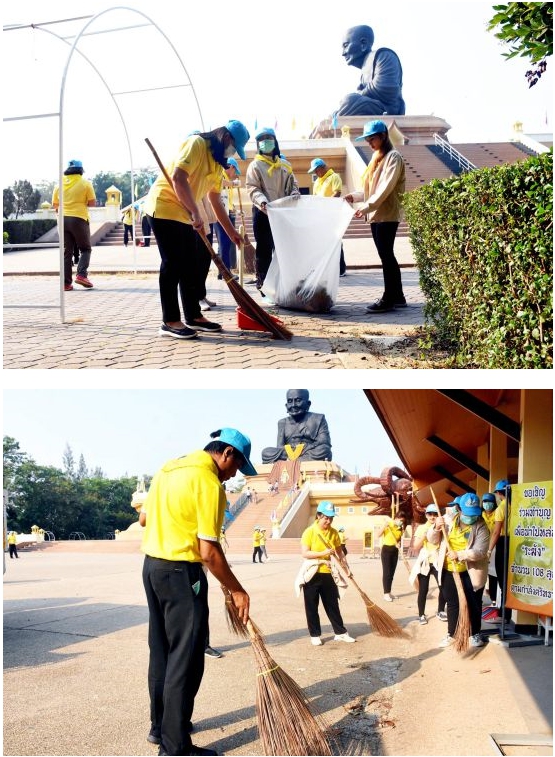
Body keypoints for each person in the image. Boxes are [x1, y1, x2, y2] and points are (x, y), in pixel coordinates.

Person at [141, 427, 255, 756]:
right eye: (236, 468)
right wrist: (237, 589)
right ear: (227, 454)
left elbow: (145, 517)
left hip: (152, 568)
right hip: (181, 573)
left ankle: (159, 728)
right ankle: (175, 748)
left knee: (161, 652)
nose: (233, 476)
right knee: (186, 660)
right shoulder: (207, 482)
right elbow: (209, 551)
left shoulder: (168, 468)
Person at [144, 120, 249, 340]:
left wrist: (231, 232)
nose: (233, 153)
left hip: (184, 212)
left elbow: (215, 200)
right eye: (233, 148)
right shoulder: (197, 144)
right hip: (163, 206)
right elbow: (178, 178)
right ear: (226, 138)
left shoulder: (217, 162)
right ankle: (170, 320)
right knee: (173, 263)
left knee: (192, 265)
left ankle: (193, 316)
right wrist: (195, 211)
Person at [345, 120, 406, 313]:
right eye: (368, 140)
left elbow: (385, 188)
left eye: (372, 139)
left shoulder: (393, 157)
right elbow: (369, 189)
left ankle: (388, 298)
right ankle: (398, 296)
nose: (370, 143)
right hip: (376, 214)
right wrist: (354, 197)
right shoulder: (376, 158)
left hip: (387, 213)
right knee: (387, 255)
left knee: (386, 255)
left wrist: (366, 207)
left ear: (383, 137)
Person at [429, 493, 489, 649]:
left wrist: (460, 554)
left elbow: (480, 551)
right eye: (468, 514)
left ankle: (475, 633)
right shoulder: (447, 521)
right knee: (453, 603)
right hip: (449, 570)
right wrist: (435, 527)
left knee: (474, 603)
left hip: (471, 571)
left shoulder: (481, 526)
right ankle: (452, 633)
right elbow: (432, 540)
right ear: (460, 509)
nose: (471, 517)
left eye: (474, 514)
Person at [246, 127, 300, 292]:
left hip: (282, 214)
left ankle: (284, 282)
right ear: (258, 144)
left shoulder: (285, 165)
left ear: (275, 141)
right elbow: (253, 188)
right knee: (264, 249)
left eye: (269, 138)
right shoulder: (255, 166)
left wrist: (294, 193)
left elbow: (293, 184)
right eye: (262, 139)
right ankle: (263, 282)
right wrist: (262, 203)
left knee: (283, 248)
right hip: (263, 213)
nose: (266, 141)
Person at [300, 501, 356, 645]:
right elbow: (305, 553)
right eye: (326, 517)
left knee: (332, 604)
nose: (328, 521)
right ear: (318, 515)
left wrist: (347, 568)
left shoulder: (334, 532)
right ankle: (315, 634)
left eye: (331, 518)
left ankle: (340, 632)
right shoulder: (309, 532)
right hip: (312, 572)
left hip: (328, 572)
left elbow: (340, 553)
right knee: (311, 605)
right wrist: (323, 553)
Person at [335, 25, 405, 116]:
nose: (343, 53)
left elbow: (386, 87)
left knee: (349, 100)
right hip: (372, 106)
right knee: (337, 112)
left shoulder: (384, 55)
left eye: (346, 45)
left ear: (363, 44)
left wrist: (360, 93)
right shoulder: (365, 70)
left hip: (387, 109)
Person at [52, 158, 96, 291]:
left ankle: (66, 283)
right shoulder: (85, 183)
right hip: (79, 218)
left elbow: (55, 205)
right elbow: (92, 203)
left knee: (67, 252)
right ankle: (81, 275)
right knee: (85, 249)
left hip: (62, 219)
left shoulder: (58, 184)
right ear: (81, 170)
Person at [262, 389, 332, 463]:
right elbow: (280, 447)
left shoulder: (318, 418)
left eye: (298, 400)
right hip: (289, 452)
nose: (293, 405)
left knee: (324, 450)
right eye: (290, 401)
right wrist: (293, 449)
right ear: (286, 405)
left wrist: (304, 447)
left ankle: (293, 461)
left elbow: (324, 442)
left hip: (309, 450)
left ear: (308, 404)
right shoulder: (282, 422)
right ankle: (301, 460)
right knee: (266, 452)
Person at [307, 158, 347, 276]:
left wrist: (325, 205)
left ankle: (341, 268)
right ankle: (328, 268)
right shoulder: (317, 181)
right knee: (324, 242)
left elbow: (337, 193)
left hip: (332, 214)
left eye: (316, 170)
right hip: (320, 215)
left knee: (335, 241)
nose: (315, 173)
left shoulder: (334, 177)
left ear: (322, 167)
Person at [411, 504, 446, 624]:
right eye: (430, 514)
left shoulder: (443, 527)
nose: (432, 516)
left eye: (435, 514)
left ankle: (440, 610)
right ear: (426, 515)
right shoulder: (421, 528)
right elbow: (416, 547)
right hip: (425, 561)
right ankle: (421, 615)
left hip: (438, 560)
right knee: (423, 590)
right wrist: (425, 535)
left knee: (443, 587)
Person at [488, 479, 512, 624]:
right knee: (510, 581)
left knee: (503, 581)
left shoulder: (501, 508)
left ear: (498, 493)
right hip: (516, 542)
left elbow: (496, 532)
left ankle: (503, 616)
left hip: (504, 543)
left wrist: (489, 550)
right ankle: (507, 614)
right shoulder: (517, 505)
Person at [214, 157, 240, 278]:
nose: (234, 175)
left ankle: (223, 272)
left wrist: (233, 208)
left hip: (226, 212)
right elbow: (219, 182)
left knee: (224, 243)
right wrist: (232, 183)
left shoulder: (227, 179)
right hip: (219, 214)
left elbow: (226, 199)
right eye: (235, 171)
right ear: (231, 167)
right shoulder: (220, 172)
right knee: (224, 242)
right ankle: (226, 272)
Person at [377, 513, 407, 601]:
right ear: (396, 518)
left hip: (395, 551)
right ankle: (385, 594)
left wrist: (398, 544)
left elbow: (398, 540)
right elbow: (378, 534)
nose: (401, 522)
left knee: (392, 573)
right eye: (400, 520)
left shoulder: (400, 528)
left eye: (403, 521)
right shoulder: (388, 525)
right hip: (386, 550)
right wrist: (384, 526)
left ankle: (389, 592)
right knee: (387, 572)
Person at [480, 492, 499, 616]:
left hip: (495, 547)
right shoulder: (480, 515)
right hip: (481, 547)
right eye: (485, 502)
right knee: (480, 573)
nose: (487, 504)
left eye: (489, 502)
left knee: (493, 574)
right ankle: (479, 597)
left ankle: (493, 599)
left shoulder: (497, 514)